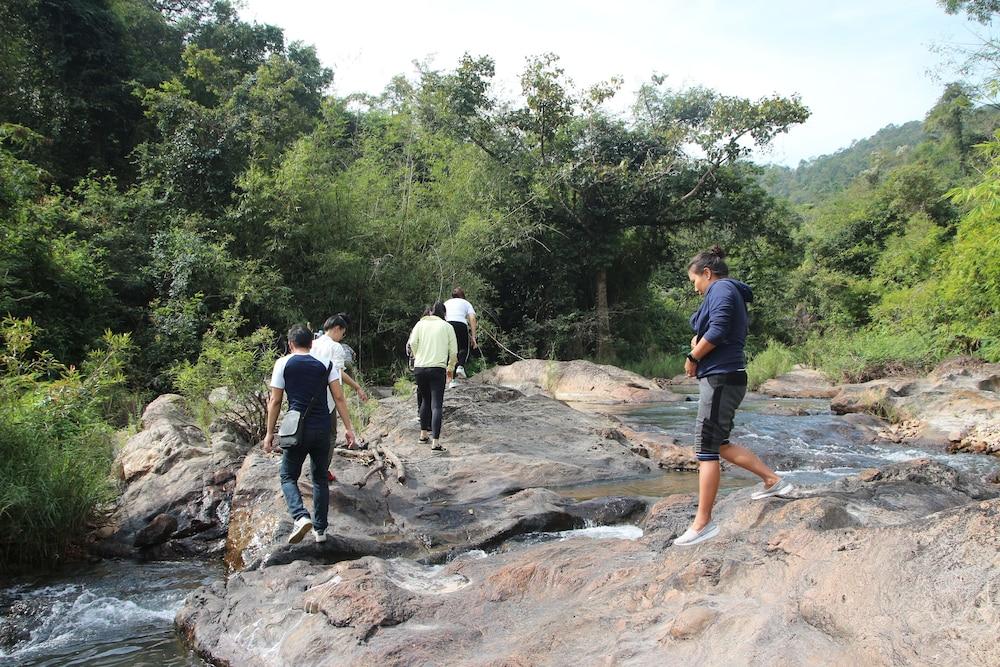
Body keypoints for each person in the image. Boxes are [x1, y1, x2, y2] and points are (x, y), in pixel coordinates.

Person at [674, 246, 794, 547]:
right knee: (720, 443)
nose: (696, 288)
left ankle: (703, 524)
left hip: (721, 379)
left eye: (694, 282)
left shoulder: (722, 289)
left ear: (707, 273)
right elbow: (714, 328)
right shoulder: (725, 292)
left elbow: (718, 329)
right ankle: (773, 481)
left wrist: (692, 355)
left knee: (705, 449)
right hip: (725, 377)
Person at [263, 325, 356, 545]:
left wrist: (269, 433)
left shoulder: (282, 363)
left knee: (287, 476)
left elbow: (275, 401)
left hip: (296, 430)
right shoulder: (326, 364)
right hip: (322, 428)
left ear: (290, 344)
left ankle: (300, 516)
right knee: (320, 478)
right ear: (311, 344)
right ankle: (320, 531)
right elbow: (339, 398)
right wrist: (349, 428)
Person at [312, 313, 369, 463]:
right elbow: (337, 378)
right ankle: (322, 471)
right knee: (330, 436)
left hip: (309, 398)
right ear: (337, 329)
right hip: (328, 400)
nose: (342, 337)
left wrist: (357, 387)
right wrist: (348, 427)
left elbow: (338, 372)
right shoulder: (335, 347)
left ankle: (316, 469)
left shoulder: (313, 344)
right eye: (343, 334)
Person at [407, 302, 457, 451]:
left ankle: (423, 435)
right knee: (436, 405)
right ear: (444, 314)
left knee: (425, 400)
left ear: (431, 313)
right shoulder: (447, 327)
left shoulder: (420, 324)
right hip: (437, 368)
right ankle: (435, 442)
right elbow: (453, 352)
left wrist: (418, 356)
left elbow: (412, 343)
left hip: (420, 367)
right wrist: (450, 368)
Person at [444, 287, 477, 389]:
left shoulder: (446, 302)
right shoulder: (466, 303)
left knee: (451, 352)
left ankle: (452, 380)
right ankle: (460, 366)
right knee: (463, 348)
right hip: (460, 324)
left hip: (447, 325)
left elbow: (442, 315)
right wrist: (473, 336)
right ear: (462, 296)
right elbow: (472, 318)